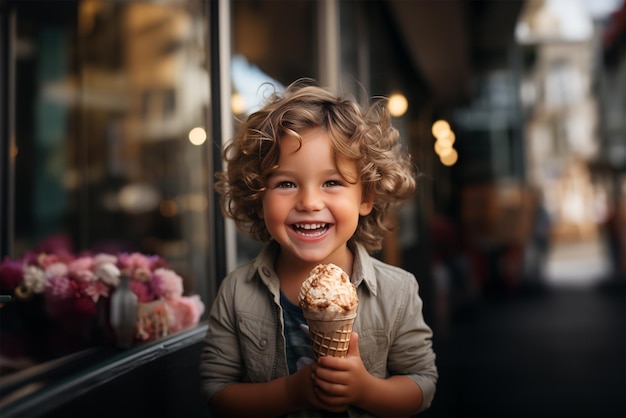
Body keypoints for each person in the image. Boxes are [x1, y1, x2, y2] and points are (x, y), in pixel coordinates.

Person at [200, 79, 437, 417]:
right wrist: (291, 392)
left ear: (365, 197)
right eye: (285, 183)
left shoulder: (397, 291)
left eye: (332, 182)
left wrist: (365, 390)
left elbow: (421, 384)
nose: (310, 202)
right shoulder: (237, 291)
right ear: (258, 197)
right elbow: (217, 392)